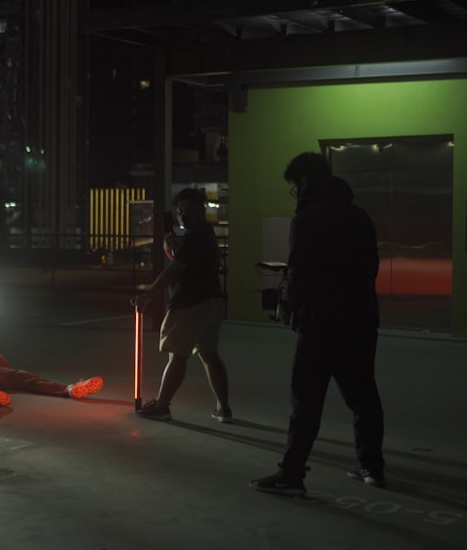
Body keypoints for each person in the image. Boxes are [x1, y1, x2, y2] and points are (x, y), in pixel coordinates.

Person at [251, 152, 385, 496]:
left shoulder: (308, 218)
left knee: (306, 401)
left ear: (305, 182)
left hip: (321, 322)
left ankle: (292, 474)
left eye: (293, 187)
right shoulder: (359, 216)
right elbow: (372, 266)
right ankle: (372, 466)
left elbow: (299, 271)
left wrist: (285, 305)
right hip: (361, 317)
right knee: (363, 395)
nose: (294, 194)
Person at [130, 188, 231, 423]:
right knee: (209, 355)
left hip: (189, 304)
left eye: (189, 211)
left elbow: (174, 271)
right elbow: (182, 262)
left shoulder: (195, 236)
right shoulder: (204, 233)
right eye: (180, 211)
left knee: (177, 356)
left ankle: (162, 406)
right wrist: (170, 247)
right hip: (210, 302)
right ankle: (223, 408)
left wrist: (148, 294)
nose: (183, 216)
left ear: (201, 210)